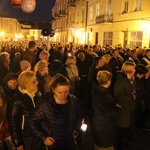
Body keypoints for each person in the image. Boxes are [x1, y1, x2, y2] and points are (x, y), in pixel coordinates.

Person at [29, 74, 81, 150]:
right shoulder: (45, 104)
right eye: (60, 92)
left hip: (70, 143)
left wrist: (76, 129)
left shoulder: (73, 101)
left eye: (66, 92)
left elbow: (79, 116)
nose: (63, 95)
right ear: (53, 90)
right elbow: (31, 121)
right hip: (53, 145)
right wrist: (44, 138)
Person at [9, 70, 44, 150]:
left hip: (39, 134)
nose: (37, 83)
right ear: (25, 84)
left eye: (36, 80)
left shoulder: (38, 94)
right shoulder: (17, 100)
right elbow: (13, 123)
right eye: (33, 82)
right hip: (26, 136)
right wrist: (18, 143)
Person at [114, 61, 136, 150]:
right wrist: (131, 97)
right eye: (133, 68)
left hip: (128, 108)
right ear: (129, 70)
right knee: (121, 129)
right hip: (123, 110)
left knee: (126, 127)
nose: (135, 70)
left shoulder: (131, 79)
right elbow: (118, 96)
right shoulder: (121, 80)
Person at [92, 70, 117, 150]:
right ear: (108, 81)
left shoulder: (95, 89)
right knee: (105, 145)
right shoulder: (106, 97)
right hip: (105, 125)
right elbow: (110, 113)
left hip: (97, 120)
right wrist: (118, 109)